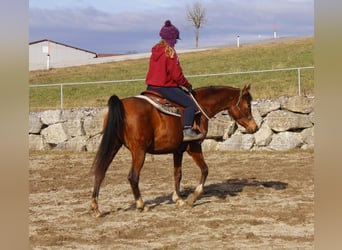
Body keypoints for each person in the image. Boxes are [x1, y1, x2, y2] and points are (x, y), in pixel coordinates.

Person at [145, 20, 202, 141]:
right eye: (175, 38)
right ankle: (187, 130)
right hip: (165, 87)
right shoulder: (170, 52)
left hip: (150, 88)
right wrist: (187, 85)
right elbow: (176, 75)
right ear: (171, 38)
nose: (176, 41)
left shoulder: (155, 51)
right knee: (190, 104)